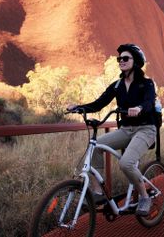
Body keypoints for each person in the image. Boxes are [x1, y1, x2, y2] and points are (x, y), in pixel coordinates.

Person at [67, 43, 157, 216]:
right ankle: (98, 193)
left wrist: (139, 108)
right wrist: (79, 107)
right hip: (126, 129)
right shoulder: (117, 85)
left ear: (136, 62)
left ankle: (145, 196)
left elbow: (149, 102)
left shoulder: (146, 84)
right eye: (119, 59)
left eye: (125, 58)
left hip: (145, 129)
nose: (121, 61)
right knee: (95, 147)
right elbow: (99, 103)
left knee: (126, 163)